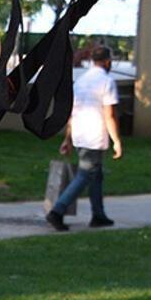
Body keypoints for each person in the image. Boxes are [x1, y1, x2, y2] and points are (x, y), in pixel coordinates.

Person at [45, 44, 123, 232]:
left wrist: (67, 139)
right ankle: (57, 211)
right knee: (86, 174)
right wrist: (117, 141)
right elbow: (109, 115)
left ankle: (98, 215)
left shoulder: (80, 82)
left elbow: (71, 113)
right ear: (107, 62)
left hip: (79, 133)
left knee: (96, 174)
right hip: (95, 135)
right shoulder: (107, 82)